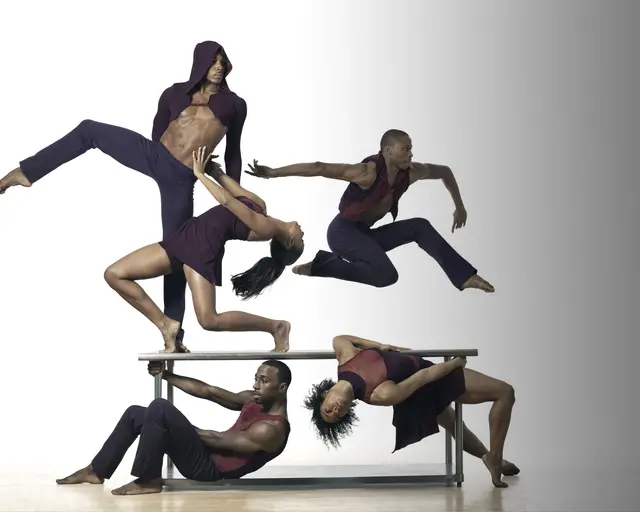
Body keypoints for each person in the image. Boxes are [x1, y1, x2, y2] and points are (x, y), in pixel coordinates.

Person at [0, 41, 247, 350]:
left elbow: (233, 152)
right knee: (89, 129)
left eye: (223, 61)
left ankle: (173, 335)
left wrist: (234, 199)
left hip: (181, 179)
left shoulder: (234, 104)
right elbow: (158, 128)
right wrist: (164, 151)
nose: (219, 67)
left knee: (178, 252)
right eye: (213, 61)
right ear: (200, 63)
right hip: (156, 156)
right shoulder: (174, 93)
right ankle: (27, 172)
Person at [103, 146, 304, 353]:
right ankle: (166, 325)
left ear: (289, 242)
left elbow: (226, 201)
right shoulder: (261, 206)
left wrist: (199, 174)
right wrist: (210, 168)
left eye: (301, 241)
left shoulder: (266, 228)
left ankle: (276, 327)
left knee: (209, 320)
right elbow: (222, 178)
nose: (303, 234)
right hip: (187, 236)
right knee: (114, 274)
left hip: (202, 248)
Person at [245, 129, 494, 293]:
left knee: (420, 226)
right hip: (342, 233)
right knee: (387, 275)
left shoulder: (413, 172)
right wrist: (274, 172)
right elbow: (319, 167)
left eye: (411, 148)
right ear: (388, 151)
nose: (410, 153)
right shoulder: (367, 172)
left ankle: (463, 276)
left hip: (364, 234)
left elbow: (445, 172)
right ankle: (323, 265)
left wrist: (459, 207)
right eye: (405, 149)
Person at [303, 334, 518, 488]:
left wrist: (381, 345)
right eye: (337, 416)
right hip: (431, 381)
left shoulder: (346, 356)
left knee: (455, 425)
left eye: (328, 410)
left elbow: (339, 337)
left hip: (426, 378)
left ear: (324, 395)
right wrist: (455, 364)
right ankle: (496, 458)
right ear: (348, 412)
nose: (335, 411)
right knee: (504, 392)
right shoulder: (380, 395)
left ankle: (488, 457)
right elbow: (423, 377)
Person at [56, 358, 291, 496]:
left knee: (159, 409)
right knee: (136, 414)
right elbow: (209, 391)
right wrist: (167, 375)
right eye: (256, 378)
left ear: (282, 388)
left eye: (264, 381)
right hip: (204, 453)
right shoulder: (255, 400)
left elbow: (218, 440)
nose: (255, 385)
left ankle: (148, 480)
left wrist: (174, 426)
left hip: (208, 469)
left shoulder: (272, 430)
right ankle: (96, 471)